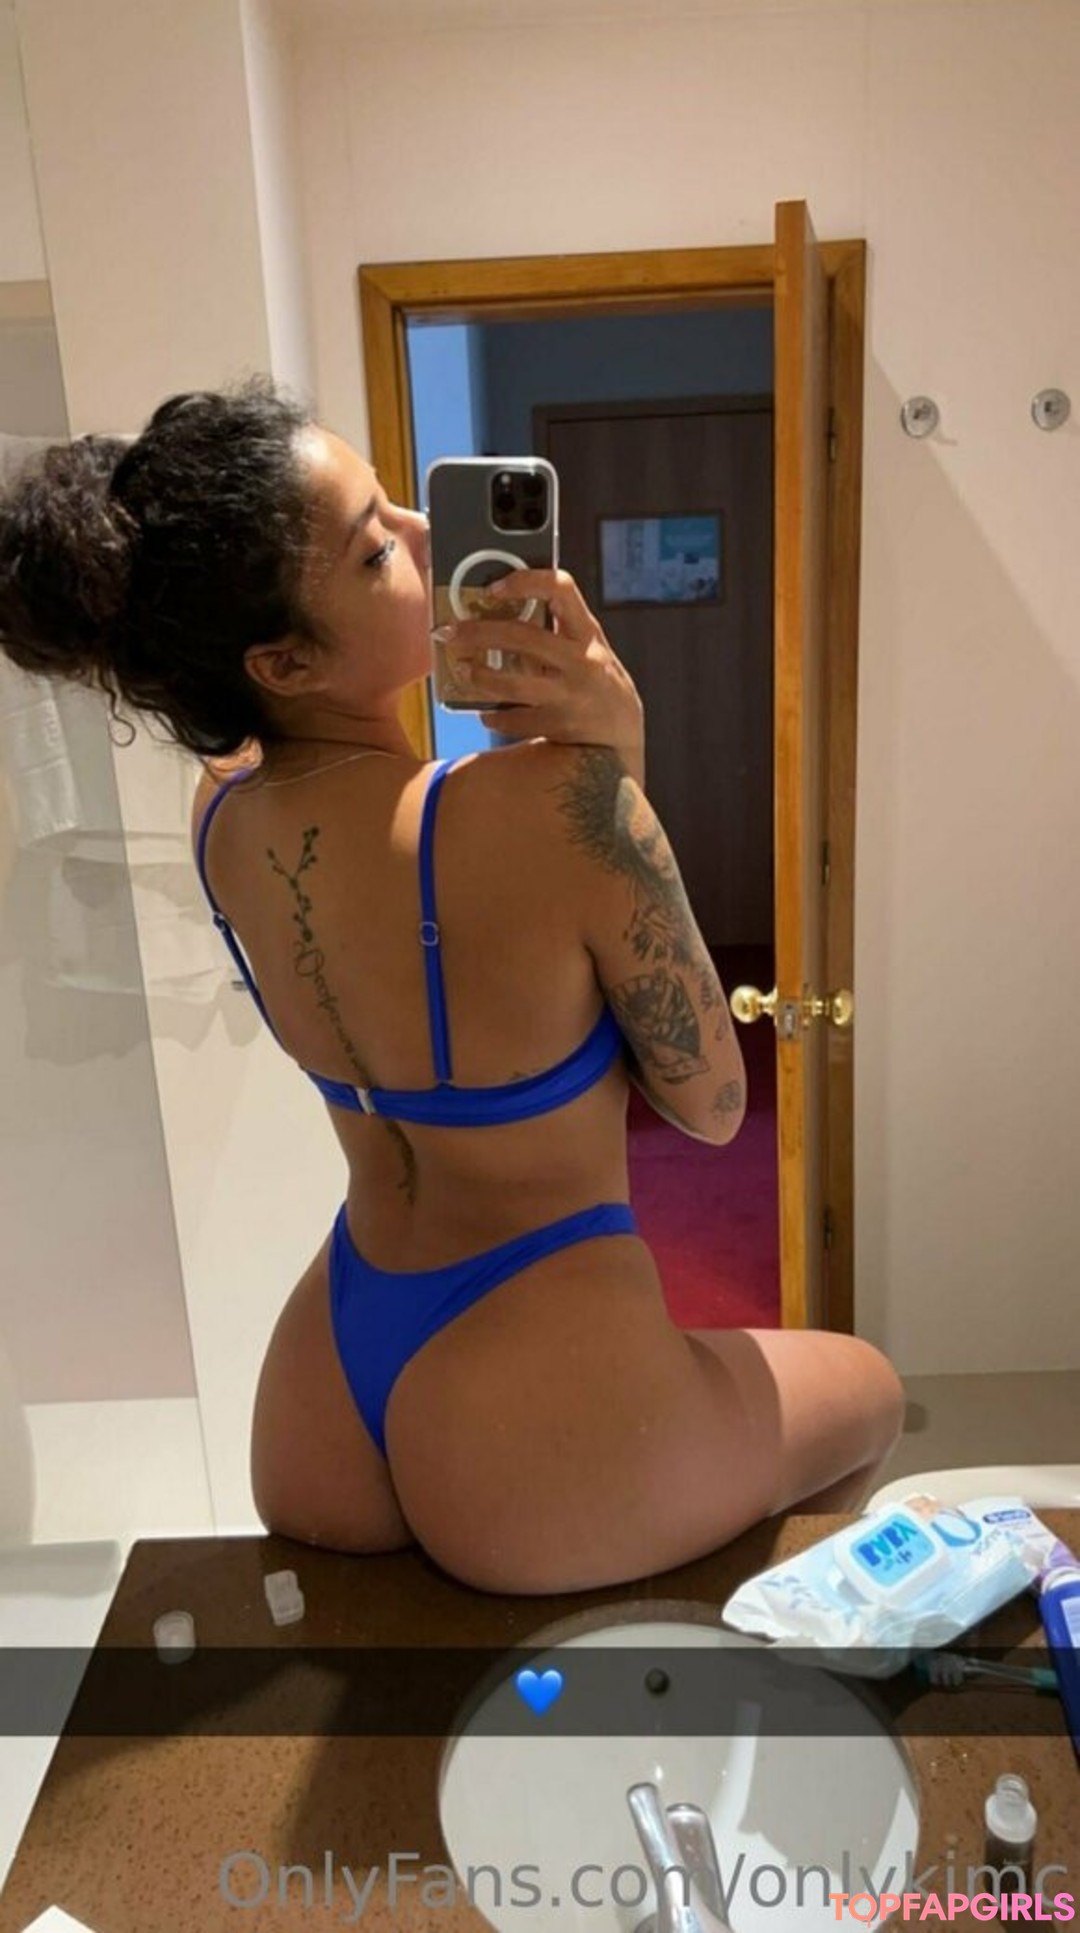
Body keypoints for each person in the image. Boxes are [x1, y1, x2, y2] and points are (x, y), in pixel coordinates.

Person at [0, 377, 904, 1595]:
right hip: (537, 1385)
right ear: (283, 658)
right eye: (376, 547)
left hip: (327, 1378)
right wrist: (615, 763)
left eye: (394, 507)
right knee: (872, 1390)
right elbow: (712, 1103)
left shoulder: (220, 811)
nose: (426, 535)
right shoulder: (551, 804)